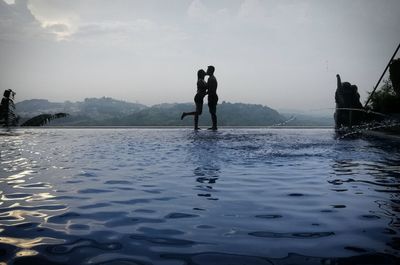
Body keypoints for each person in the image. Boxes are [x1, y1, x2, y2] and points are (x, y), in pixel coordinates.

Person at [206, 65, 218, 130]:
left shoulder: (211, 79)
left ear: (210, 71)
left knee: (213, 112)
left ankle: (214, 126)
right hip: (212, 96)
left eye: (207, 70)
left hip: (212, 97)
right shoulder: (211, 78)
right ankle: (214, 126)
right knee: (212, 112)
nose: (206, 71)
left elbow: (210, 89)